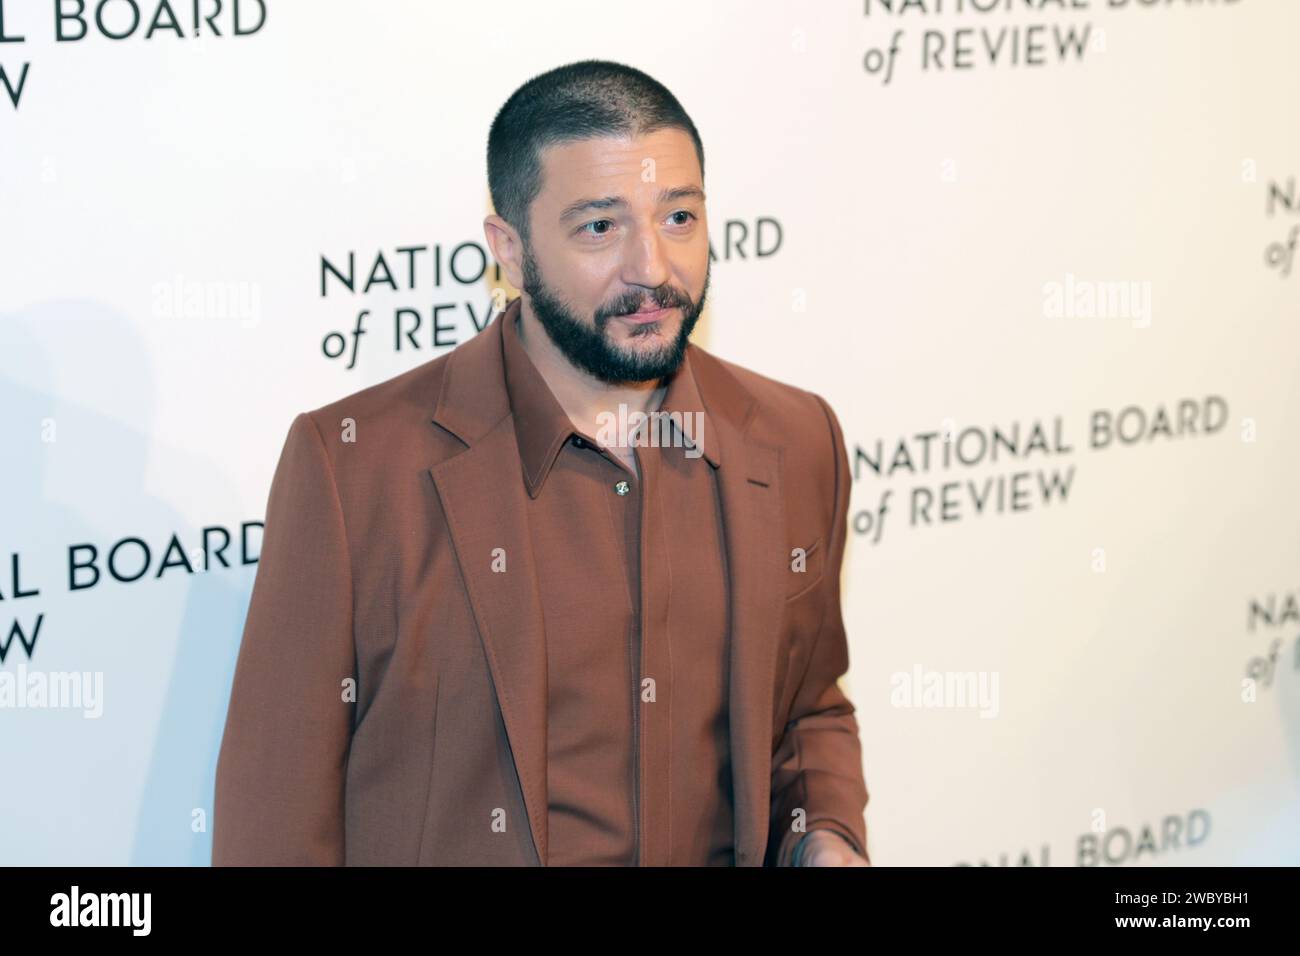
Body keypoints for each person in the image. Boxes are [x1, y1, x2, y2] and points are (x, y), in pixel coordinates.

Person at [213, 59, 869, 867]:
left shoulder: (796, 440)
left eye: (679, 218)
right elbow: (274, 827)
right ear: (510, 252)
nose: (652, 269)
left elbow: (806, 713)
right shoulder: (354, 471)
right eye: (600, 227)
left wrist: (825, 839)